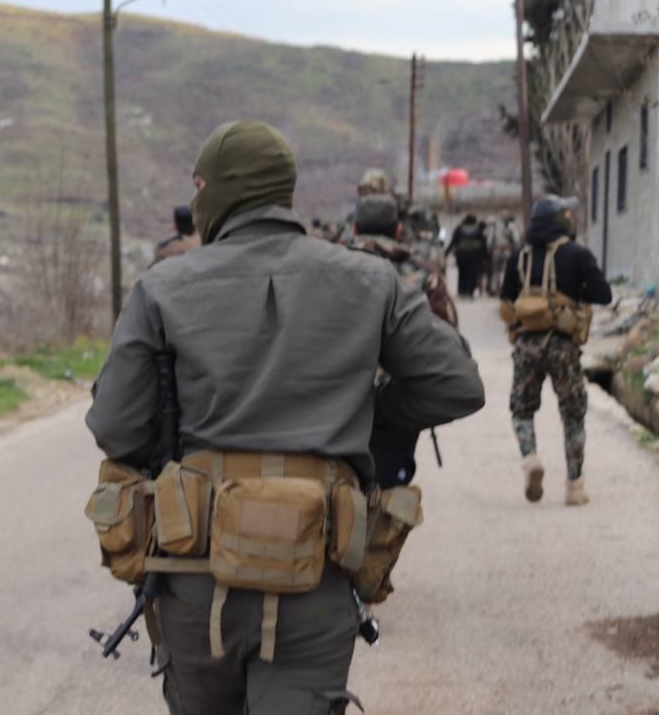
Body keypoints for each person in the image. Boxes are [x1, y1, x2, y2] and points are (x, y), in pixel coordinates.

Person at [86, 121, 484, 714]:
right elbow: (456, 385)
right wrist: (364, 414)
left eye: (200, 185)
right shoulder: (371, 279)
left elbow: (115, 427)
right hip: (316, 581)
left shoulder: (162, 286)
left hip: (195, 582)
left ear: (221, 191)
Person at [499, 195, 611, 506]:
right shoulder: (577, 254)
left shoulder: (517, 257)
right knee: (573, 414)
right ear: (560, 220)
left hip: (526, 345)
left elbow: (506, 301)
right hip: (563, 346)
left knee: (521, 410)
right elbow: (604, 294)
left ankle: (530, 459)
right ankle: (575, 486)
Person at [348, 194, 459, 487]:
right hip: (397, 403)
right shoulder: (423, 274)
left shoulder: (326, 267)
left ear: (354, 229)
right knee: (388, 492)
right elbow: (446, 340)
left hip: (338, 398)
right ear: (398, 230)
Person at [445, 214, 488, 298]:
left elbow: (453, 241)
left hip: (462, 255)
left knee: (462, 273)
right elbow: (483, 243)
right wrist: (485, 256)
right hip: (474, 255)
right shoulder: (478, 229)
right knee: (472, 273)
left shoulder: (459, 229)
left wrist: (447, 251)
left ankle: (462, 290)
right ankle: (470, 290)